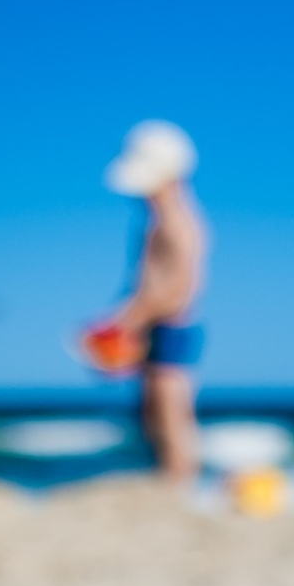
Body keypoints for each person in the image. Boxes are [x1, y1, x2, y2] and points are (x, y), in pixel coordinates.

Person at [88, 120, 208, 488]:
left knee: (171, 413)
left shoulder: (178, 222)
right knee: (152, 412)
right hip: (153, 324)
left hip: (173, 325)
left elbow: (179, 288)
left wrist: (127, 319)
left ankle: (180, 481)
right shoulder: (157, 221)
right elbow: (145, 282)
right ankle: (166, 477)